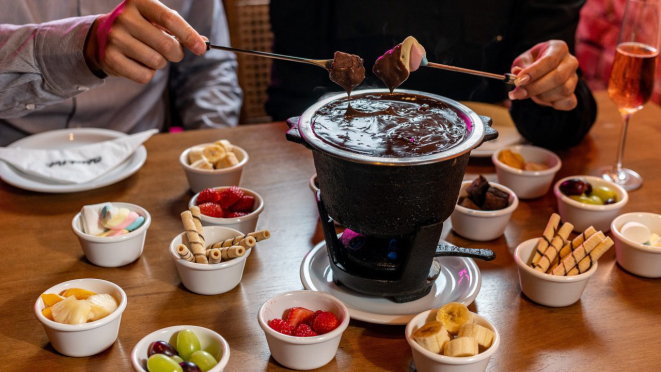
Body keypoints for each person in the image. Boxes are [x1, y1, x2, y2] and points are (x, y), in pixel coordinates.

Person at [266, 0, 597, 149]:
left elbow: (558, 126)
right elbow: (294, 98)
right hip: (351, 163)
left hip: (483, 170)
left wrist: (553, 87)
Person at [0, 0, 242, 146]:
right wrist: (82, 47)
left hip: (142, 152)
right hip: (9, 164)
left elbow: (208, 70)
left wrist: (210, 150)